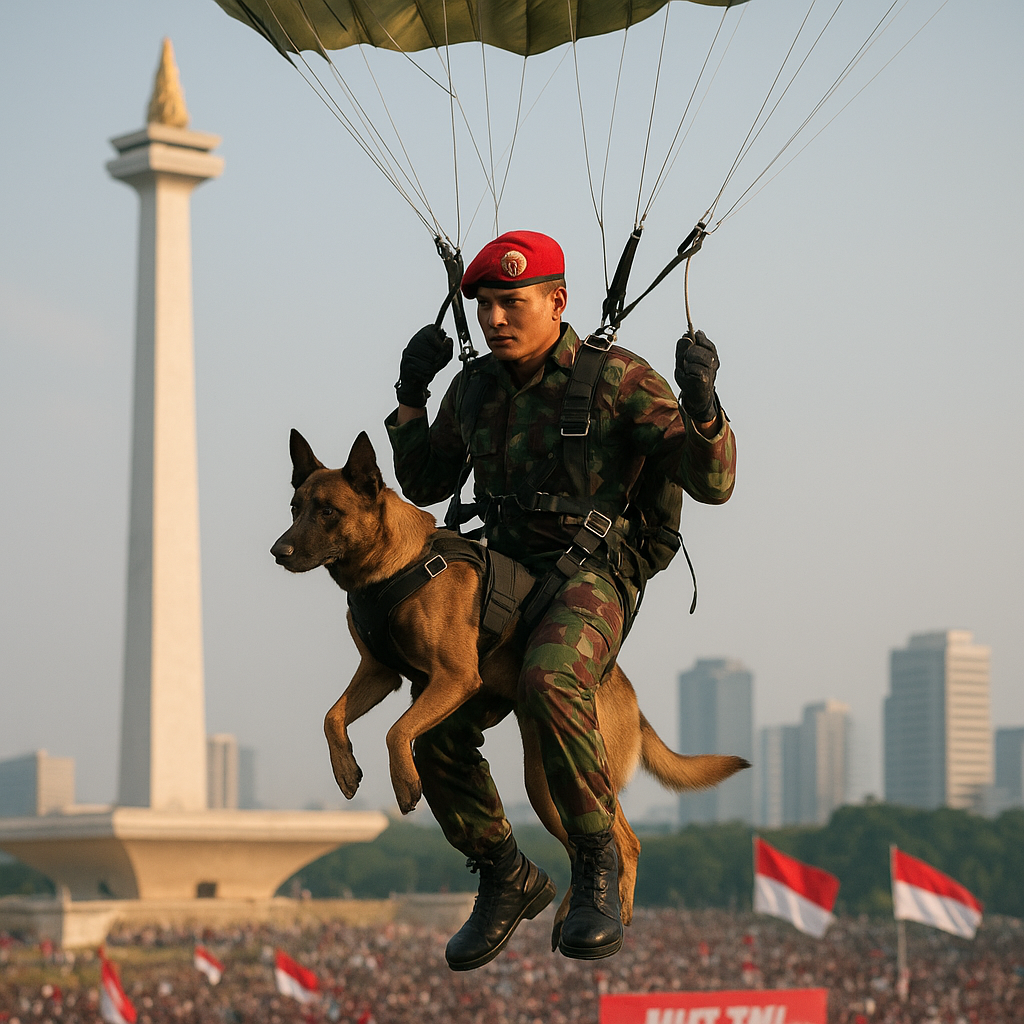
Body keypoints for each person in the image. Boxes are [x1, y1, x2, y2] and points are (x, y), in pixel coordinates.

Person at [384, 230, 735, 970]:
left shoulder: (619, 379)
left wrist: (704, 409)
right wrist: (411, 395)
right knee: (433, 716)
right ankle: (503, 873)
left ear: (557, 302)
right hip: (501, 572)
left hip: (594, 572)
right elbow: (423, 482)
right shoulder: (473, 389)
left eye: (512, 303)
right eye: (485, 305)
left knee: (551, 676)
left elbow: (714, 485)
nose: (494, 320)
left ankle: (597, 863)